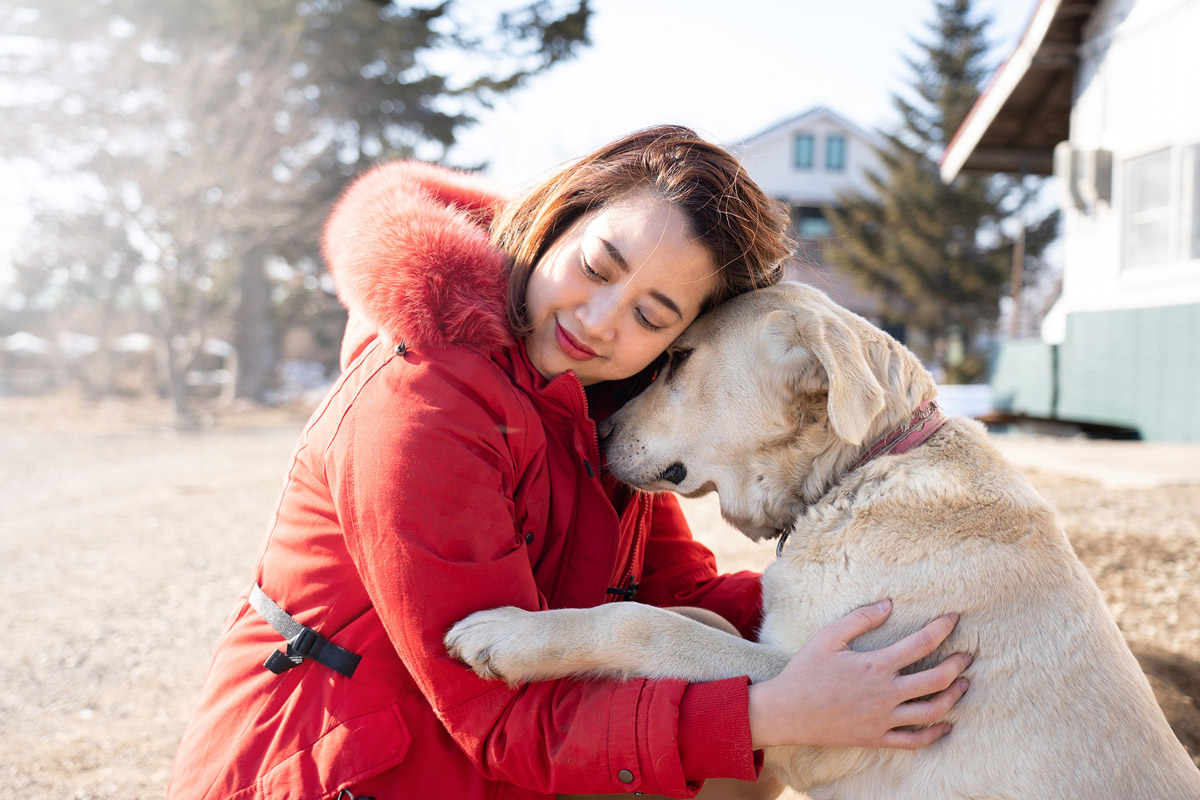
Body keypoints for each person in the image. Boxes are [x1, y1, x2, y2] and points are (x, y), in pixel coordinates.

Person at [167, 125, 970, 800]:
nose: (599, 321)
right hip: (341, 772)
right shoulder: (425, 400)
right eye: (597, 267)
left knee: (707, 669)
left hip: (487, 770)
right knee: (741, 737)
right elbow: (503, 717)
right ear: (561, 215)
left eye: (652, 314)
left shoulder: (604, 401)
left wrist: (888, 611)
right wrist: (778, 713)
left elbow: (684, 598)